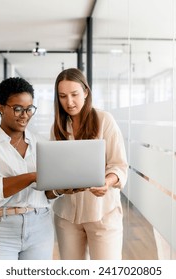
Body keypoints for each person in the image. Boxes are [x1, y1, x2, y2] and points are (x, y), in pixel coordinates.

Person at [44, 68, 128, 260]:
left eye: (74, 94)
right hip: (67, 215)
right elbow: (55, 169)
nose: (69, 102)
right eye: (63, 96)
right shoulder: (57, 128)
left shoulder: (104, 120)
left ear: (86, 92)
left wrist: (107, 182)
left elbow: (119, 165)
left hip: (102, 213)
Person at [0, 77, 54, 260]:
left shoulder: (41, 143)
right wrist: (31, 176)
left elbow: (47, 193)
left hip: (41, 227)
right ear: (1, 108)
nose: (25, 115)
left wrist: (60, 187)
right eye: (17, 109)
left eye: (29, 109)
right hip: (0, 231)